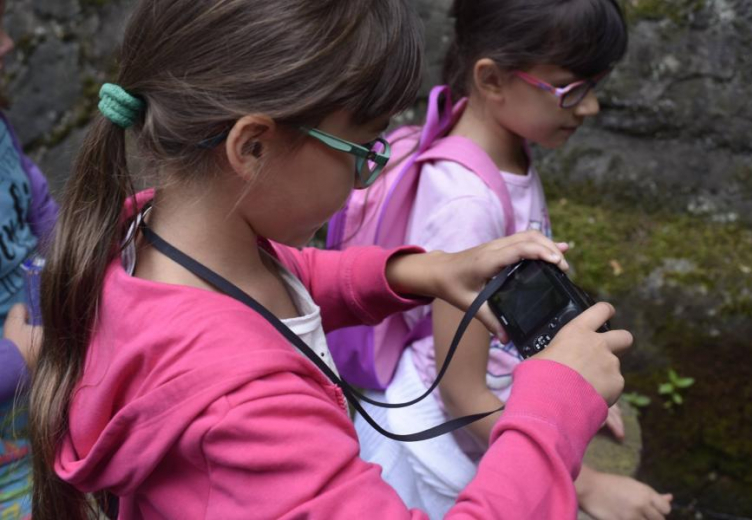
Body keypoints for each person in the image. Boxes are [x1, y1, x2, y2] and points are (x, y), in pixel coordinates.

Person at [29, 1, 631, 519]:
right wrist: (553, 410)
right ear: (253, 146)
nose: (367, 168)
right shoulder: (247, 408)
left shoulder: (160, 240)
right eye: (362, 149)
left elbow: (291, 277)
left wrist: (423, 272)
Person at [354, 1, 673, 519]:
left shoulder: (508, 148)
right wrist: (586, 482)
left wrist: (575, 390)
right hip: (442, 451)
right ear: (492, 80)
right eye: (571, 88)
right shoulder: (469, 204)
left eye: (595, 85)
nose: (589, 108)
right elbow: (460, 393)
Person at [0, 1, 58, 517]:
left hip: (43, 419)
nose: (8, 44)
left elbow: (34, 201)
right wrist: (14, 362)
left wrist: (71, 257)